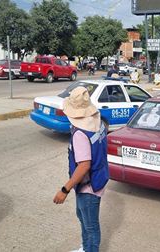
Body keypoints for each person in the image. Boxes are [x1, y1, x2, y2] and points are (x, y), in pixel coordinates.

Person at [53, 87, 109, 252]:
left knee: (91, 226)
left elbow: (84, 166)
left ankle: (90, 249)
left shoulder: (80, 134)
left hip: (89, 186)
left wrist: (65, 190)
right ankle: (85, 248)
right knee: (82, 215)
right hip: (98, 178)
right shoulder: (97, 120)